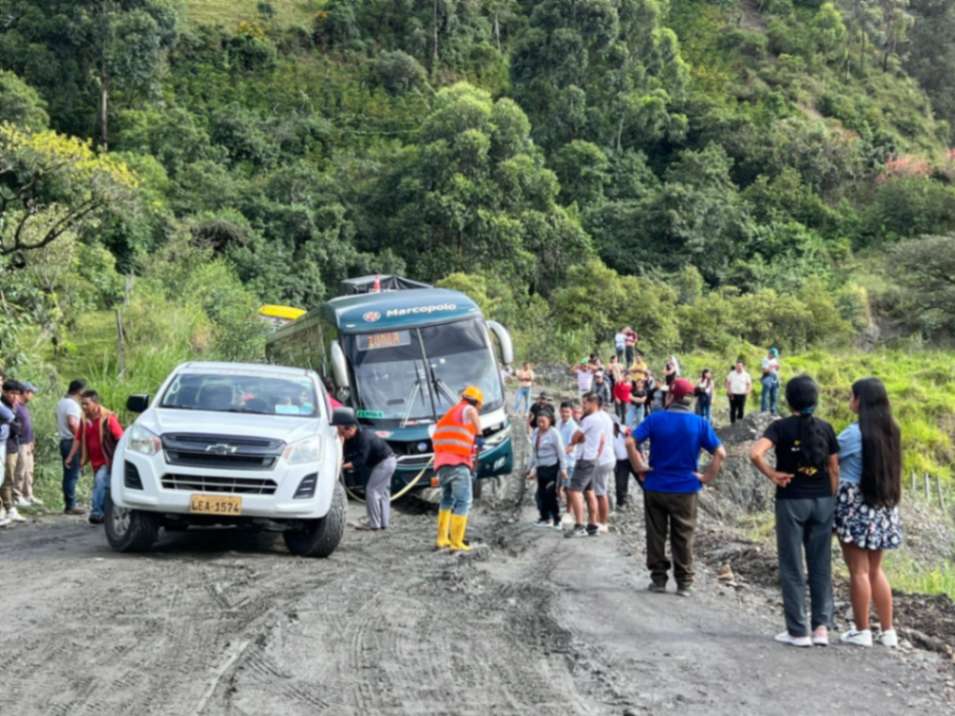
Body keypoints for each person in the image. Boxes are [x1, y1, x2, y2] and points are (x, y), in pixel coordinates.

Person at [750, 375, 839, 648]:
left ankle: (798, 631)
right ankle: (821, 629)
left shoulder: (780, 427)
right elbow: (834, 469)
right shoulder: (826, 428)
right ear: (816, 399)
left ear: (788, 401)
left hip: (791, 500)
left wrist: (773, 474)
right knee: (821, 565)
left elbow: (755, 453)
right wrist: (831, 501)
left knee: (792, 565)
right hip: (823, 500)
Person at [625, 378, 725, 596]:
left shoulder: (655, 419)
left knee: (656, 534)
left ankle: (659, 580)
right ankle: (684, 583)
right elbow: (720, 453)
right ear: (690, 400)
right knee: (683, 536)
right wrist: (707, 476)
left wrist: (639, 465)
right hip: (685, 488)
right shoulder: (700, 423)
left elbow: (630, 441)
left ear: (671, 396)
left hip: (656, 486)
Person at [835, 378, 903, 648]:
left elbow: (828, 457)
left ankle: (862, 630)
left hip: (854, 506)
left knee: (858, 571)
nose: (850, 400)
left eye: (852, 396)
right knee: (875, 570)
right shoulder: (892, 431)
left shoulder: (853, 434)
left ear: (860, 400)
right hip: (883, 506)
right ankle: (888, 631)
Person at [433, 385, 483, 552]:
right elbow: (471, 413)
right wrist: (480, 433)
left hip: (442, 465)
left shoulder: (450, 414)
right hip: (457, 464)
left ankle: (442, 539)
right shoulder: (468, 409)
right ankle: (456, 542)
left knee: (447, 499)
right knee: (464, 501)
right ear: (476, 402)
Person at [333, 408, 397, 531]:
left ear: (350, 429)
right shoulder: (356, 435)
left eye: (342, 432)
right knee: (383, 493)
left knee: (371, 491)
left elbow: (360, 460)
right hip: (389, 461)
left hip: (384, 463)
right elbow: (350, 452)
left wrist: (342, 466)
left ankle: (374, 524)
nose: (341, 435)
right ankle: (383, 522)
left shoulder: (364, 437)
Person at [68, 390, 124, 525]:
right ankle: (106, 514)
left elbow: (121, 438)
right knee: (104, 487)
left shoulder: (108, 419)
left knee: (100, 482)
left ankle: (96, 512)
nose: (84, 407)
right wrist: (70, 456)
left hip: (107, 460)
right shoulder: (84, 419)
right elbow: (77, 438)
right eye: (82, 404)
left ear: (95, 403)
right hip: (95, 461)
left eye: (86, 404)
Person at [564, 393, 606, 538]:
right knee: (589, 491)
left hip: (584, 459)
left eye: (585, 404)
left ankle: (579, 525)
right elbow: (600, 439)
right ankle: (592, 525)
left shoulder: (589, 419)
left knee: (573, 490)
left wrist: (572, 443)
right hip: (593, 458)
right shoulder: (601, 418)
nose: (583, 407)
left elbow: (576, 436)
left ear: (593, 403)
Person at [527, 411, 567, 528]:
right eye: (539, 421)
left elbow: (561, 452)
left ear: (550, 421)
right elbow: (534, 452)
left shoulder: (554, 433)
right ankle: (545, 518)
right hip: (540, 467)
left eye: (543, 421)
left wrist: (564, 468)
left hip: (552, 467)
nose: (541, 424)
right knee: (541, 494)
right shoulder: (535, 432)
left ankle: (557, 519)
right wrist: (529, 468)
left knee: (550, 494)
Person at [57, 379, 87, 515]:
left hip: (65, 440)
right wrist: (80, 438)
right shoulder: (72, 405)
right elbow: (72, 423)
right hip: (71, 441)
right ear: (79, 391)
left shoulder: (61, 402)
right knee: (72, 475)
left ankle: (69, 503)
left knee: (68, 474)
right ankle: (71, 505)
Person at [1, 380, 26, 525]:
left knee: (11, 478)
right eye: (12, 393)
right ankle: (8, 508)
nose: (14, 397)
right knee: (7, 478)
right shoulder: (3, 406)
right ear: (4, 392)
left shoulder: (13, 406)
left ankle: (10, 508)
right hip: (6, 445)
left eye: (17, 394)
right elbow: (14, 426)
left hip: (13, 445)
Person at [13, 382, 39, 507]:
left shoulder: (24, 406)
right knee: (20, 471)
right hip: (20, 443)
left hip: (28, 443)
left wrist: (32, 441)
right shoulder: (16, 406)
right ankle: (17, 496)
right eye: (31, 392)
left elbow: (28, 426)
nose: (32, 395)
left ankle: (28, 495)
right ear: (24, 392)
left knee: (29, 471)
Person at [556, 402, 578, 525]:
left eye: (567, 412)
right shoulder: (558, 423)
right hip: (558, 461)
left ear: (571, 413)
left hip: (569, 462)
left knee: (569, 488)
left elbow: (571, 447)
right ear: (559, 411)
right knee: (557, 488)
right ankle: (560, 509)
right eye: (563, 411)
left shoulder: (573, 427)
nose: (565, 414)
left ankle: (569, 513)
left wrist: (558, 453)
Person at [613, 421, 635, 509]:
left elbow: (635, 439)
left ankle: (650, 498)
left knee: (642, 479)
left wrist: (641, 455)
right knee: (620, 484)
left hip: (632, 458)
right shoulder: (606, 433)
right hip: (620, 461)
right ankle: (621, 503)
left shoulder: (624, 429)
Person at [761, 347, 782, 415]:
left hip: (775, 377)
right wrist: (771, 367)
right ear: (770, 353)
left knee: (774, 395)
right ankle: (764, 409)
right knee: (765, 394)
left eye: (775, 356)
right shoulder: (765, 359)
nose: (774, 357)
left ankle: (773, 410)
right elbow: (764, 370)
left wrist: (777, 368)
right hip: (767, 376)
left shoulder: (774, 360)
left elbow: (776, 369)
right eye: (773, 355)